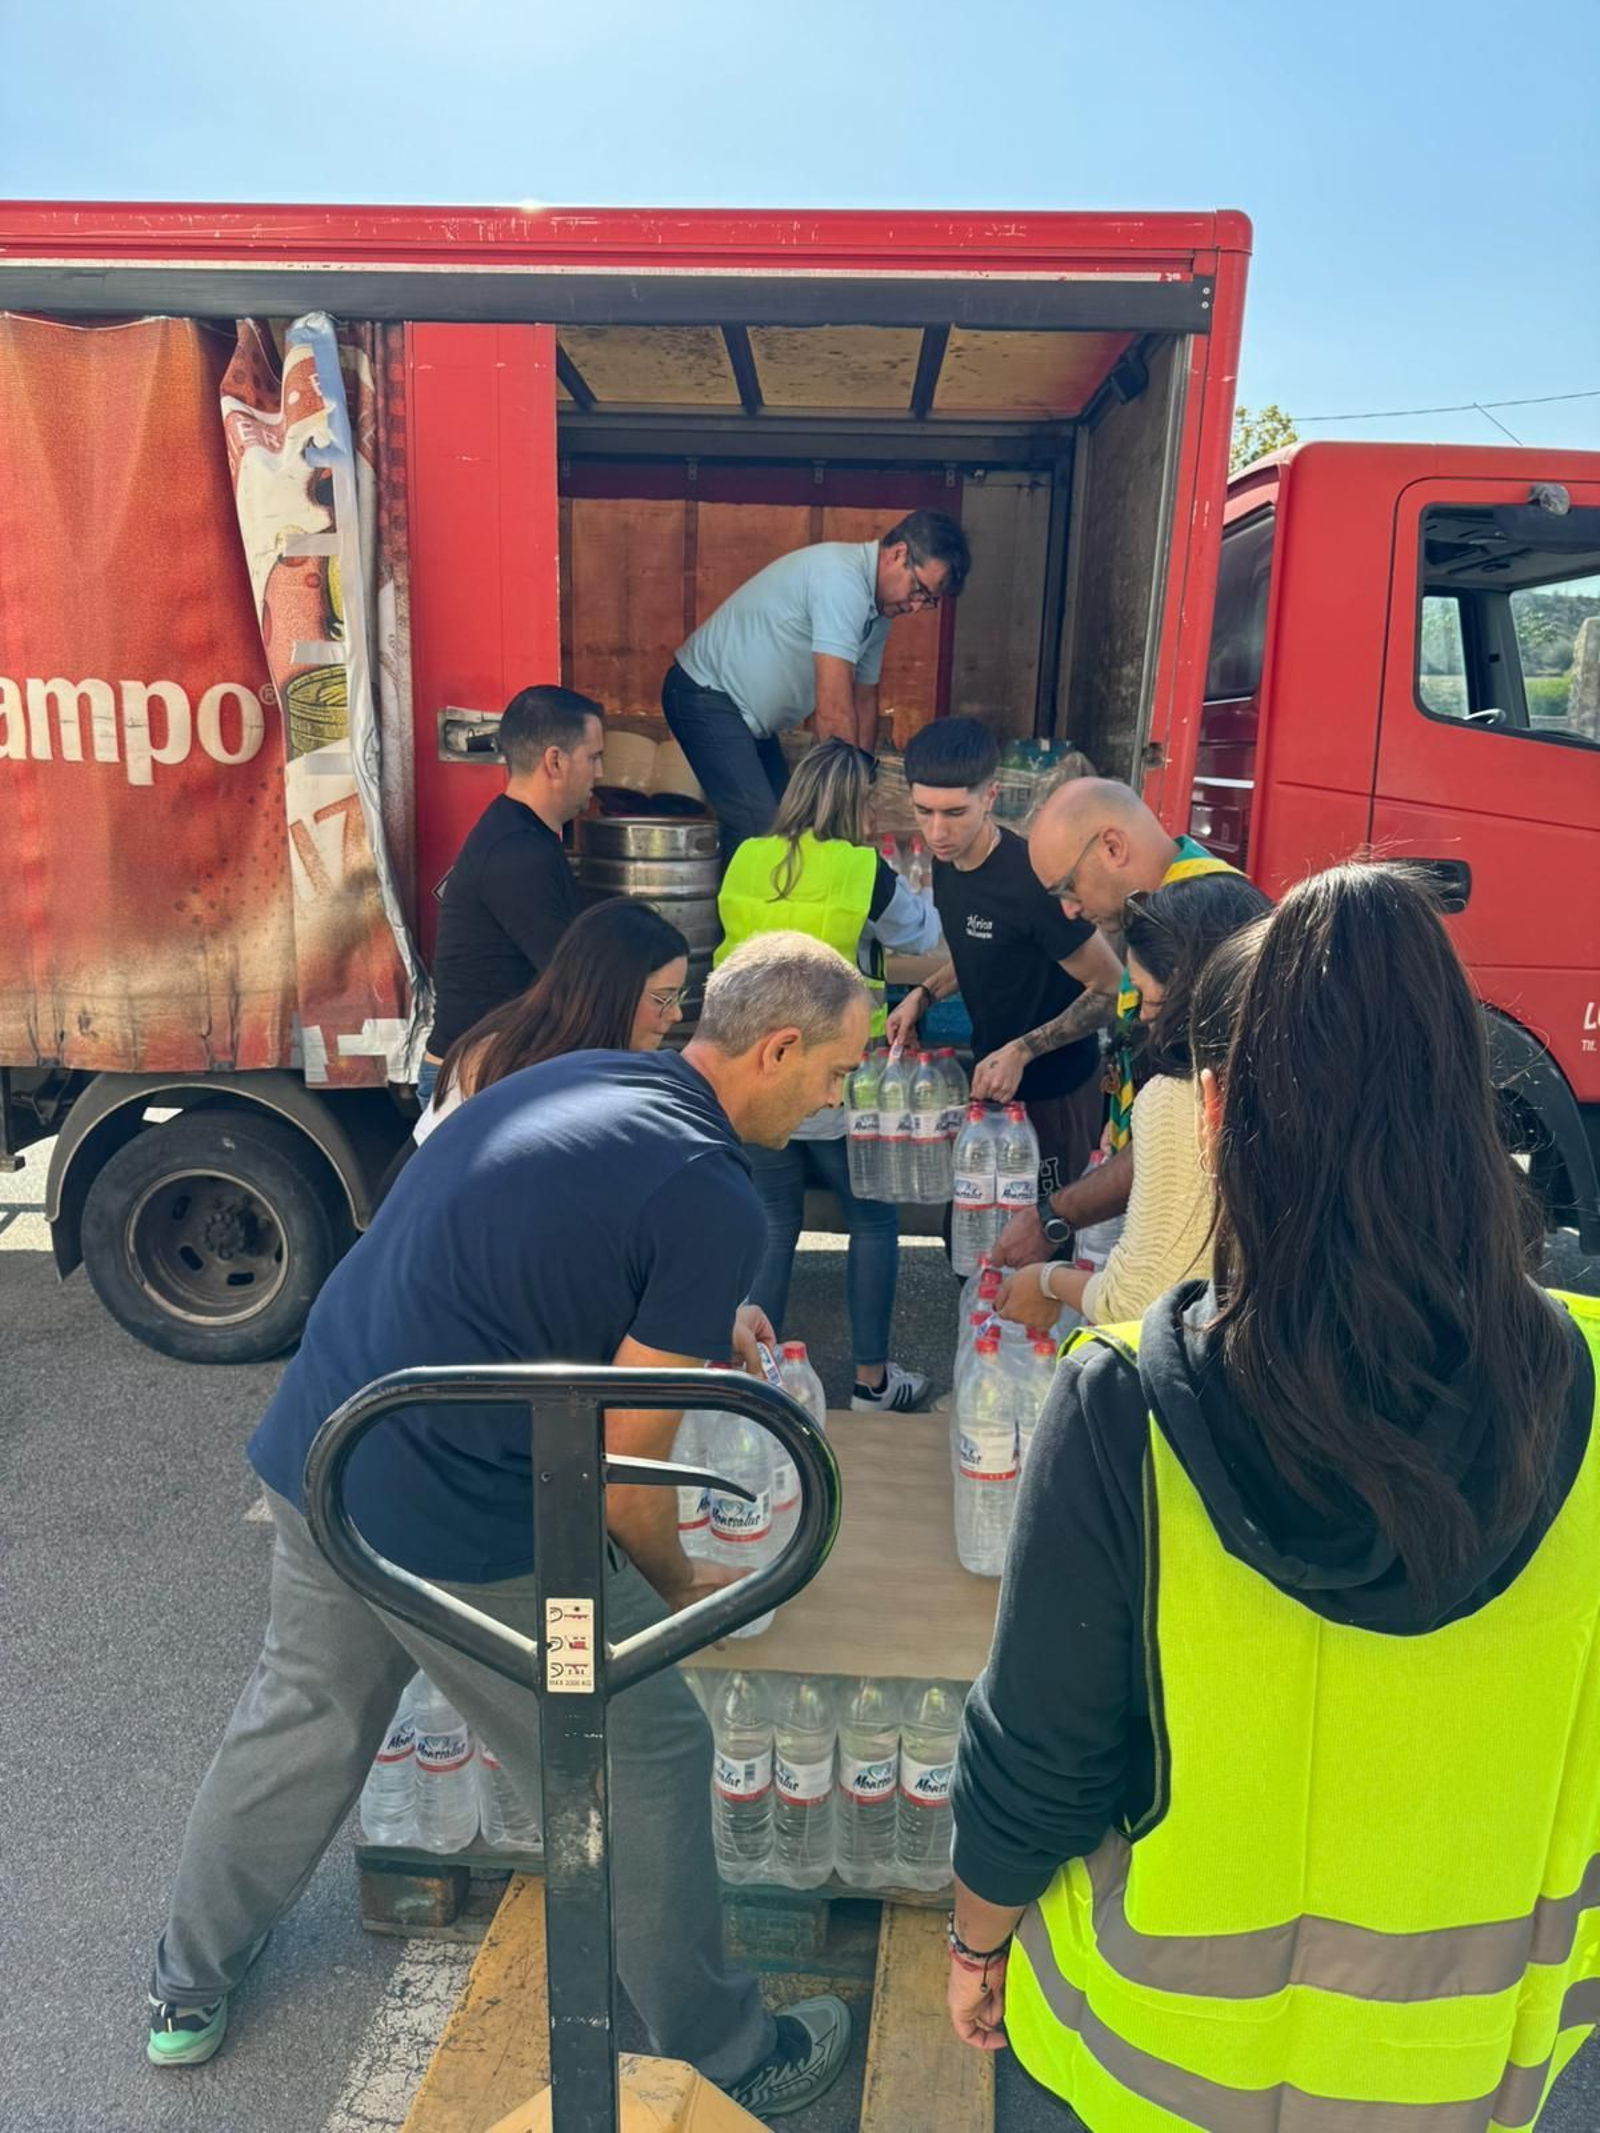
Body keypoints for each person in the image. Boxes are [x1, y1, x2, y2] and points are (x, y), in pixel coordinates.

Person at [146, 932, 872, 2119]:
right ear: (778, 1047)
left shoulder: (581, 1079)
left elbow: (537, 1255)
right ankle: (728, 2048)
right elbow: (629, 1486)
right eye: (836, 1073)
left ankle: (186, 1982)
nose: (837, 1101)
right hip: (459, 1512)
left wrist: (703, 1315)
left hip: (323, 1445)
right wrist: (692, 1606)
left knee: (306, 1715)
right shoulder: (711, 1193)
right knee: (651, 1750)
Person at [944, 863, 1600, 2128]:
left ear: (1222, 1109)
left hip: (1135, 2072)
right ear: (1470, 1105)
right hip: (1456, 2077)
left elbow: (1036, 1756)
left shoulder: (1125, 1403)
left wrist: (979, 1947)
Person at [716, 740, 941, 1413]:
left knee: (773, 1218)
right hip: (844, 1079)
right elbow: (921, 935)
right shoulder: (861, 870)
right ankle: (871, 1381)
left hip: (761, 1072)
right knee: (872, 1218)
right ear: (858, 803)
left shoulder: (749, 856)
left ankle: (758, 1376)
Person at [995, 873, 1271, 1332]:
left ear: (1189, 987)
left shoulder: (1183, 1096)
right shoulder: (1311, 1078)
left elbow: (1142, 1299)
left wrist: (1047, 1282)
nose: (1143, 1015)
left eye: (1148, 996)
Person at [990, 774, 1236, 1269]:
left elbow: (1177, 1137)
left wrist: (1053, 1217)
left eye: (1068, 886)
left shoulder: (1203, 926)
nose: (1069, 909)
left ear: (1112, 845)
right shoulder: (1162, 908)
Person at [884, 719, 1122, 1202]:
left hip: (1055, 1092)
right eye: (923, 811)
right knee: (974, 1236)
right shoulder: (945, 864)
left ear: (989, 797)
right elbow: (987, 948)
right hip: (992, 1090)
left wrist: (1023, 1050)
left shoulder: (1031, 880)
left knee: (1044, 1239)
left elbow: (1111, 985)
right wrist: (924, 995)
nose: (937, 831)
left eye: (954, 813)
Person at [662, 511, 972, 860]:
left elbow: (864, 700)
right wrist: (845, 804)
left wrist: (861, 788)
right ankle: (735, 915)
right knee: (761, 831)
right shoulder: (841, 581)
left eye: (927, 601)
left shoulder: (879, 613)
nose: (916, 606)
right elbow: (834, 709)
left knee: (788, 827)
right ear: (897, 553)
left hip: (745, 719)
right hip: (702, 694)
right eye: (919, 589)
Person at [372, 901, 690, 1208]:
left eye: (678, 997)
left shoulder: (593, 1063)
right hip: (418, 1224)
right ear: (611, 993)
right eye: (663, 998)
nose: (675, 1014)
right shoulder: (506, 1061)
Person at [419, 683, 607, 1106]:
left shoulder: (526, 836)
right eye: (593, 758)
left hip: (494, 1073)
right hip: (470, 1085)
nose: (600, 774)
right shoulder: (517, 853)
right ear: (555, 761)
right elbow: (570, 981)